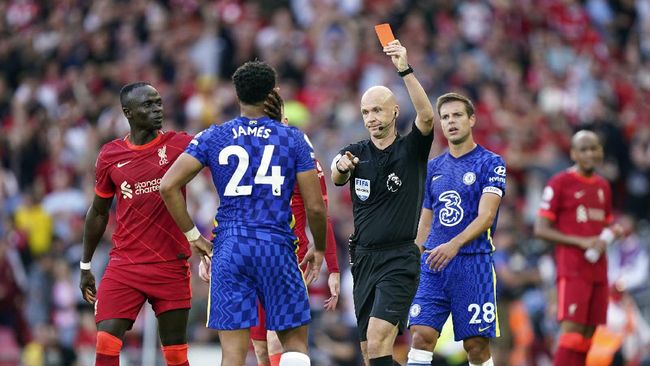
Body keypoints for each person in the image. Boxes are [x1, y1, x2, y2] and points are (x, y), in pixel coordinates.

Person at [159, 60, 327, 366]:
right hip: (276, 247)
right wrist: (320, 247)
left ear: (237, 96)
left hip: (230, 248)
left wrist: (193, 236)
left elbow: (168, 185)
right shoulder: (292, 138)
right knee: (294, 344)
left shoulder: (214, 136)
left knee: (233, 355)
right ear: (273, 94)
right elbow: (315, 205)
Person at [331, 39, 435, 366]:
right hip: (362, 259)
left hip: (398, 258)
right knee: (369, 351)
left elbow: (428, 116)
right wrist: (339, 167)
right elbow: (336, 172)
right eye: (365, 112)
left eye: (377, 110)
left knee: (377, 338)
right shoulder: (356, 153)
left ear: (394, 111)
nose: (371, 118)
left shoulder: (411, 150)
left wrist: (404, 67)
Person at [79, 82, 194, 366]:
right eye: (148, 105)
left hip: (171, 263)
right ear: (128, 113)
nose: (157, 109)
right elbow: (98, 212)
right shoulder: (110, 155)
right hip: (125, 264)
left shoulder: (180, 144)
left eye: (158, 103)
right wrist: (85, 265)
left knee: (176, 354)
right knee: (106, 341)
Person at [405, 92, 506, 366]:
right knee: (421, 335)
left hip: (473, 263)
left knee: (475, 346)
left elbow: (486, 216)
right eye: (446, 117)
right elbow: (426, 221)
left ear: (471, 119)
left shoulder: (491, 163)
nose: (451, 122)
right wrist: (414, 256)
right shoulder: (434, 167)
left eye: (457, 115)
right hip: (434, 263)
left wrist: (454, 244)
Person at [250, 92, 341, 366]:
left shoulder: (303, 155)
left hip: (291, 257)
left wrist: (333, 266)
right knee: (261, 349)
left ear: (285, 121)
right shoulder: (248, 155)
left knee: (281, 339)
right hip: (252, 258)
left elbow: (320, 211)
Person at [534, 130, 622, 366]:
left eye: (594, 148)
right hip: (572, 269)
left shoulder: (603, 186)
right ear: (573, 153)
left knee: (587, 337)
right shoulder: (560, 183)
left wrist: (615, 229)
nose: (590, 153)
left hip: (599, 270)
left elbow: (606, 221)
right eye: (583, 149)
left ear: (601, 151)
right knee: (571, 334)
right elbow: (540, 229)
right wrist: (581, 242)